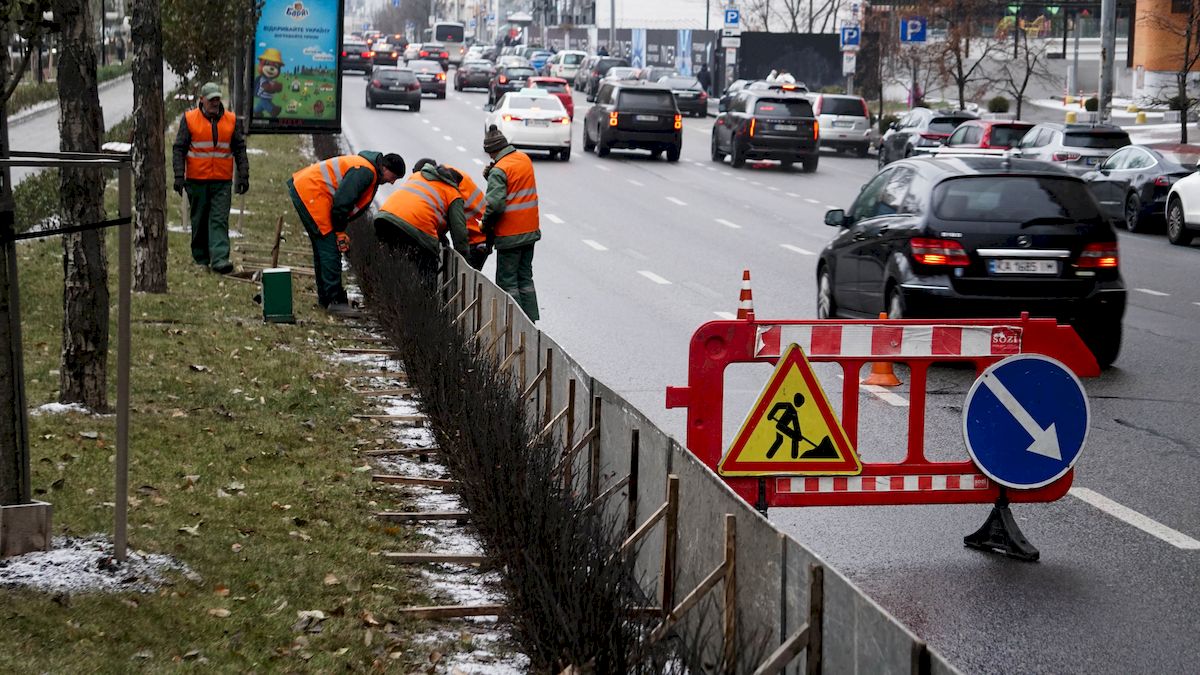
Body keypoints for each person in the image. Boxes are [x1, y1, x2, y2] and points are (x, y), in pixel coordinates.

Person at [288, 151, 406, 316]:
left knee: (323, 248)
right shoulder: (365, 172)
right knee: (330, 249)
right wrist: (339, 231)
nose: (392, 182)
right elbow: (341, 204)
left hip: (308, 191)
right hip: (312, 194)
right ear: (385, 168)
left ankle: (326, 298)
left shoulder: (367, 169)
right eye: (393, 177)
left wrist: (339, 231)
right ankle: (335, 301)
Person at [172, 82, 249, 275]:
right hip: (196, 180)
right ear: (202, 100)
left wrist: (243, 175)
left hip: (222, 181)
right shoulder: (189, 119)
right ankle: (201, 258)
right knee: (199, 220)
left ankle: (220, 259)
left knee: (219, 219)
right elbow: (179, 148)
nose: (215, 103)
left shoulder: (231, 120)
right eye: (211, 100)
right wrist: (179, 176)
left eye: (217, 99)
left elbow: (239, 149)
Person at [373, 158, 469, 285]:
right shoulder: (453, 193)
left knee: (391, 262)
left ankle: (386, 293)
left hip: (385, 218)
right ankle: (423, 301)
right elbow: (459, 232)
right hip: (415, 229)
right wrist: (464, 259)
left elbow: (420, 207)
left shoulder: (418, 176)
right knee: (426, 272)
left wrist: (439, 236)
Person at [481, 125, 541, 321]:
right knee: (525, 278)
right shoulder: (524, 159)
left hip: (510, 234)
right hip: (530, 231)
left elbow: (495, 205)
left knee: (508, 282)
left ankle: (514, 323)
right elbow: (516, 186)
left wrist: (484, 224)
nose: (490, 158)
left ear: (493, 150)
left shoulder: (499, 170)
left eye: (490, 154)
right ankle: (530, 320)